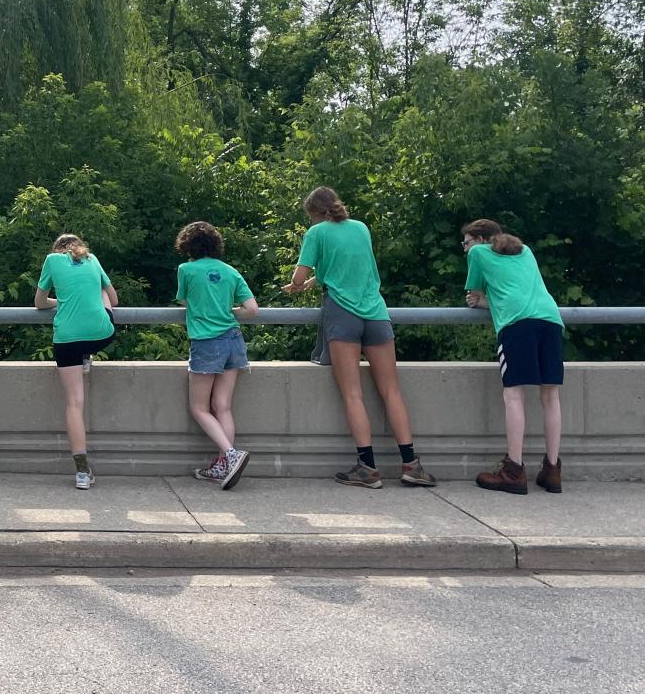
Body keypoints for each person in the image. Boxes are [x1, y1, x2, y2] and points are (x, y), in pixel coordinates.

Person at [283, 187, 435, 489]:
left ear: (313, 213)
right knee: (391, 391)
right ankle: (412, 465)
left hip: (342, 313)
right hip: (376, 312)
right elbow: (348, 267)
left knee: (353, 394)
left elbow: (298, 277)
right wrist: (319, 278)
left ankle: (367, 468)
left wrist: (298, 284)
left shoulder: (316, 233)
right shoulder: (361, 228)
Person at [463, 218, 565, 495]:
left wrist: (479, 300)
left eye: (467, 241)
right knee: (550, 396)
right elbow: (515, 291)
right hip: (550, 320)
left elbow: (474, 294)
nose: (465, 247)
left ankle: (514, 470)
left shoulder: (478, 254)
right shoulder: (526, 250)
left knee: (513, 395)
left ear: (481, 240)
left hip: (517, 325)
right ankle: (552, 470)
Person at [174, 221, 258, 491]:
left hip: (207, 342)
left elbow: (185, 301)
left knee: (199, 407)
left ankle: (231, 455)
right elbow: (252, 309)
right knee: (222, 405)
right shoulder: (230, 271)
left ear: (188, 245)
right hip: (233, 340)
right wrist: (227, 310)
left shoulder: (186, 270)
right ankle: (224, 464)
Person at [34, 233, 119, 490]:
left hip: (67, 339)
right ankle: (87, 356)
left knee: (74, 403)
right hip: (100, 335)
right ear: (81, 247)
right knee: (102, 293)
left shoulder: (51, 260)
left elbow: (38, 303)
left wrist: (61, 301)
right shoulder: (92, 259)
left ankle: (82, 472)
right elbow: (113, 300)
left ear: (57, 249)